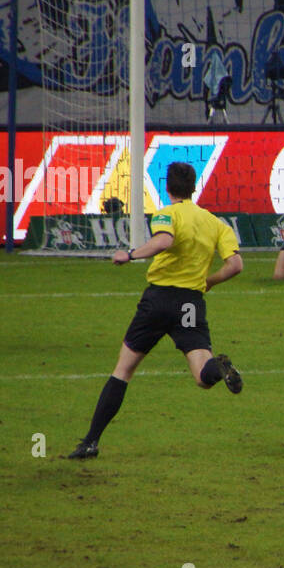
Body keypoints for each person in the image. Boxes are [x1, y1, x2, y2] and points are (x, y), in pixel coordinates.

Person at [66, 162, 243, 460]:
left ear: (168, 188)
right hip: (190, 302)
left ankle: (91, 442)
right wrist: (208, 281)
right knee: (202, 375)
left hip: (158, 300)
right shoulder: (215, 223)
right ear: (194, 186)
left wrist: (130, 254)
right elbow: (236, 264)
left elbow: (164, 240)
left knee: (123, 371)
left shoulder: (166, 214)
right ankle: (220, 367)